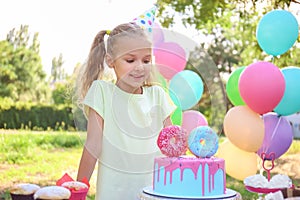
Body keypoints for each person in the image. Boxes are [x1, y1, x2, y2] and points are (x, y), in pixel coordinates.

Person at [75, 22, 176, 200]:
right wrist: (79, 189)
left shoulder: (158, 95)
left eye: (146, 60)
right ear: (110, 61)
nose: (140, 67)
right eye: (130, 60)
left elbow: (172, 146)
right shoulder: (102, 93)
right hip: (114, 193)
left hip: (155, 192)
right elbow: (93, 145)